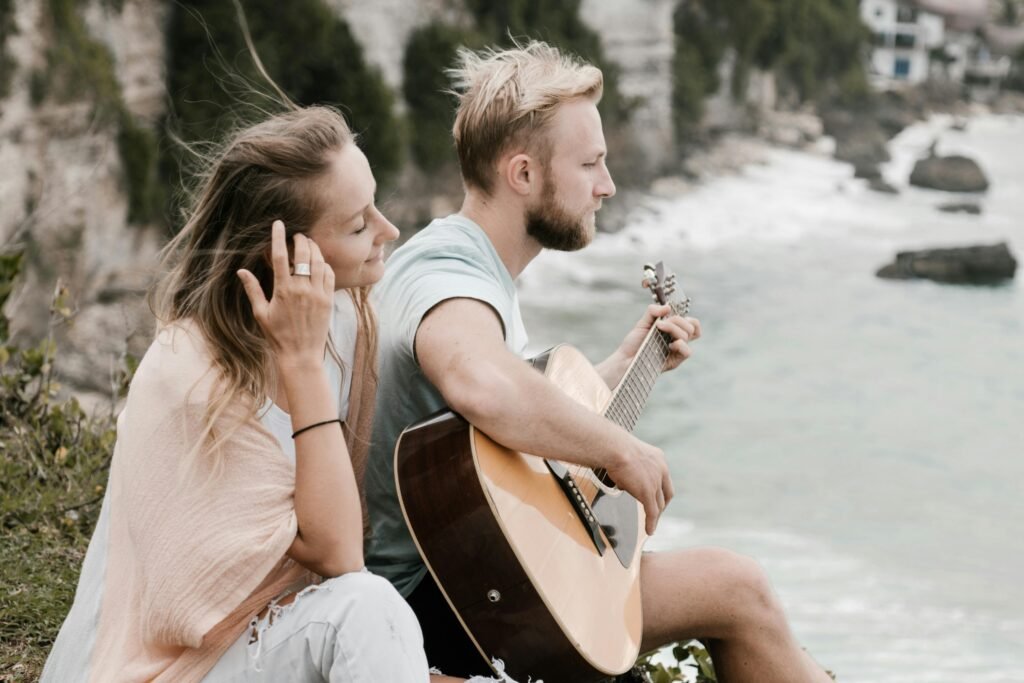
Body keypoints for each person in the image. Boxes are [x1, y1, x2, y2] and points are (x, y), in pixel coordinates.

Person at [364, 41, 834, 682]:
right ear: (523, 175)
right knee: (737, 588)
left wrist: (623, 365)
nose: (607, 186)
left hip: (472, 572)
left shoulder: (474, 269)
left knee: (669, 565)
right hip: (443, 596)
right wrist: (620, 450)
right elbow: (479, 383)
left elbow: (505, 442)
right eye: (590, 164)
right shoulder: (444, 267)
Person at [39, 105, 482, 683]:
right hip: (163, 667)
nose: (389, 230)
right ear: (285, 256)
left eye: (376, 204)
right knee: (367, 607)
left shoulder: (347, 321)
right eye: (357, 225)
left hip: (263, 639)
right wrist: (300, 365)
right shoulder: (191, 374)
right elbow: (340, 557)